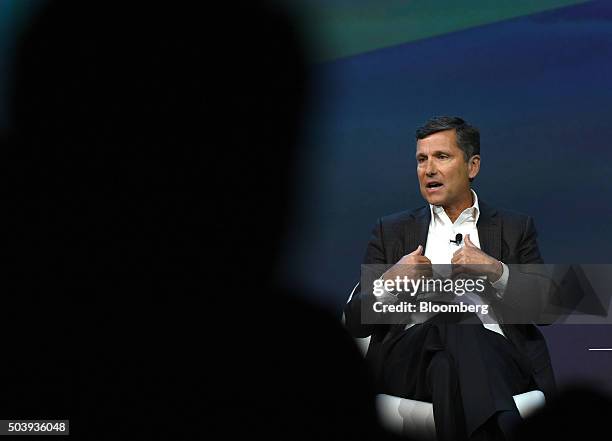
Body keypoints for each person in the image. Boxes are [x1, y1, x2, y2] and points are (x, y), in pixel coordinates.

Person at [344, 116, 556, 441]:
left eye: (441, 157)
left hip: (498, 359)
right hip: (408, 360)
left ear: (473, 166)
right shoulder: (392, 231)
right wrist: (391, 280)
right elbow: (355, 324)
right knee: (456, 320)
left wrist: (495, 271)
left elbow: (545, 309)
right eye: (421, 159)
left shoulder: (515, 228)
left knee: (446, 365)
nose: (428, 169)